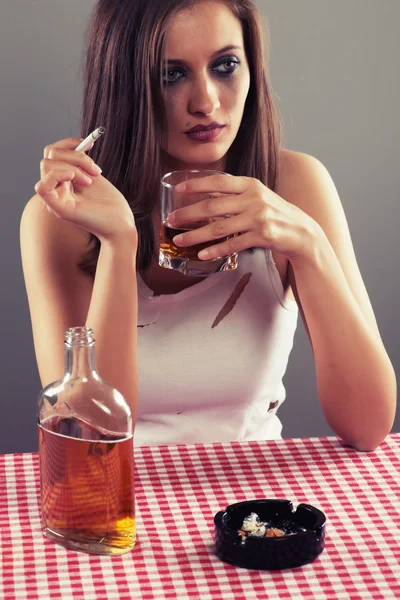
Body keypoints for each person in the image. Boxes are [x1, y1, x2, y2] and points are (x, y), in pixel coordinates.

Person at [20, 0, 396, 451]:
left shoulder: (296, 185)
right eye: (171, 75)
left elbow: (369, 426)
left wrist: (308, 244)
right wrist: (119, 240)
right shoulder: (60, 217)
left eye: (225, 66)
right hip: (122, 502)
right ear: (125, 85)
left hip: (253, 502)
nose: (206, 102)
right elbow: (93, 440)